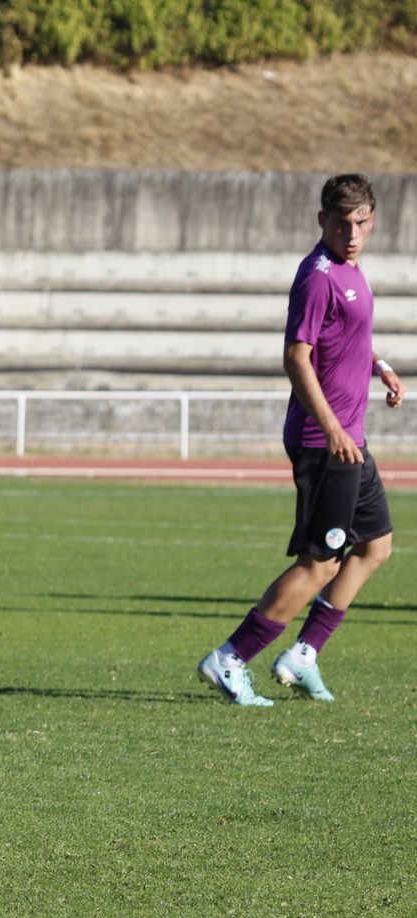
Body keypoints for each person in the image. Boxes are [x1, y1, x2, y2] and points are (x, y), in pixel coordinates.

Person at [198, 173, 404, 706]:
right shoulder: (318, 276)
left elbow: (349, 337)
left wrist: (378, 364)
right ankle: (231, 658)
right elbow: (296, 357)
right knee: (321, 562)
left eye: (360, 222)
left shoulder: (351, 271)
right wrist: (333, 426)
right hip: (324, 438)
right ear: (322, 222)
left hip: (349, 439)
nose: (351, 233)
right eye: (341, 223)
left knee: (376, 545)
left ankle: (303, 653)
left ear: (372, 219)